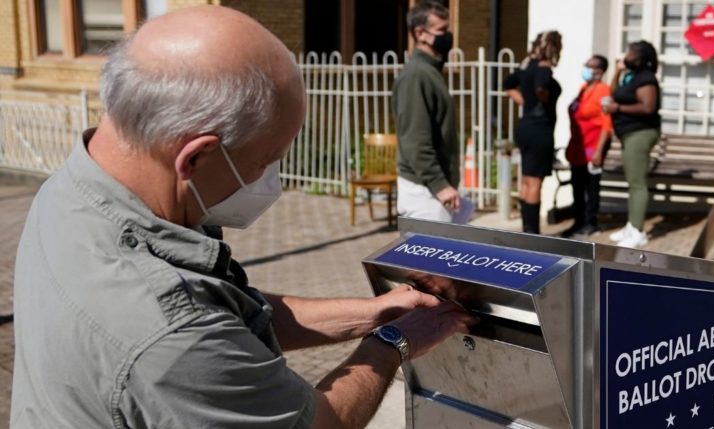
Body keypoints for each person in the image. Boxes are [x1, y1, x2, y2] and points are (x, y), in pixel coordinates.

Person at [11, 6, 476, 429]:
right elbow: (318, 424)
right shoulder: (169, 335)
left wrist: (373, 313)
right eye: (265, 161)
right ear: (194, 158)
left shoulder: (71, 189)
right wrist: (391, 343)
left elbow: (230, 314)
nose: (269, 180)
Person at [393, 0, 473, 225]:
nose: (447, 36)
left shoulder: (430, 72)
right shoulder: (416, 76)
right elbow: (415, 140)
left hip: (433, 192)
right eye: (441, 30)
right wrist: (440, 184)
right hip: (425, 194)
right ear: (420, 33)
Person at [602, 40, 661, 248]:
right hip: (628, 134)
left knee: (637, 183)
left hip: (641, 133)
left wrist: (617, 108)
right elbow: (612, 93)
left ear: (640, 57)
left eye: (630, 52)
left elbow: (648, 107)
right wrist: (618, 72)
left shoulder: (646, 79)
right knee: (633, 181)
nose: (626, 55)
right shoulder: (631, 77)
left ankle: (638, 231)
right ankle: (631, 225)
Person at [503, 31, 563, 234]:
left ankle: (526, 230)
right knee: (535, 182)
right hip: (540, 130)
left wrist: (526, 102)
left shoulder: (526, 65)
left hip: (525, 127)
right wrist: (541, 97)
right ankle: (533, 234)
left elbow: (508, 85)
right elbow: (541, 88)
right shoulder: (544, 68)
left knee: (526, 180)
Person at [560, 55, 613, 238]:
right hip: (578, 146)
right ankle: (578, 221)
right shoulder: (583, 89)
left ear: (599, 71)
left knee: (591, 186)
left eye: (589, 66)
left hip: (592, 146)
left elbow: (607, 124)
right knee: (577, 185)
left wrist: (599, 151)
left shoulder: (603, 90)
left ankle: (591, 222)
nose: (585, 68)